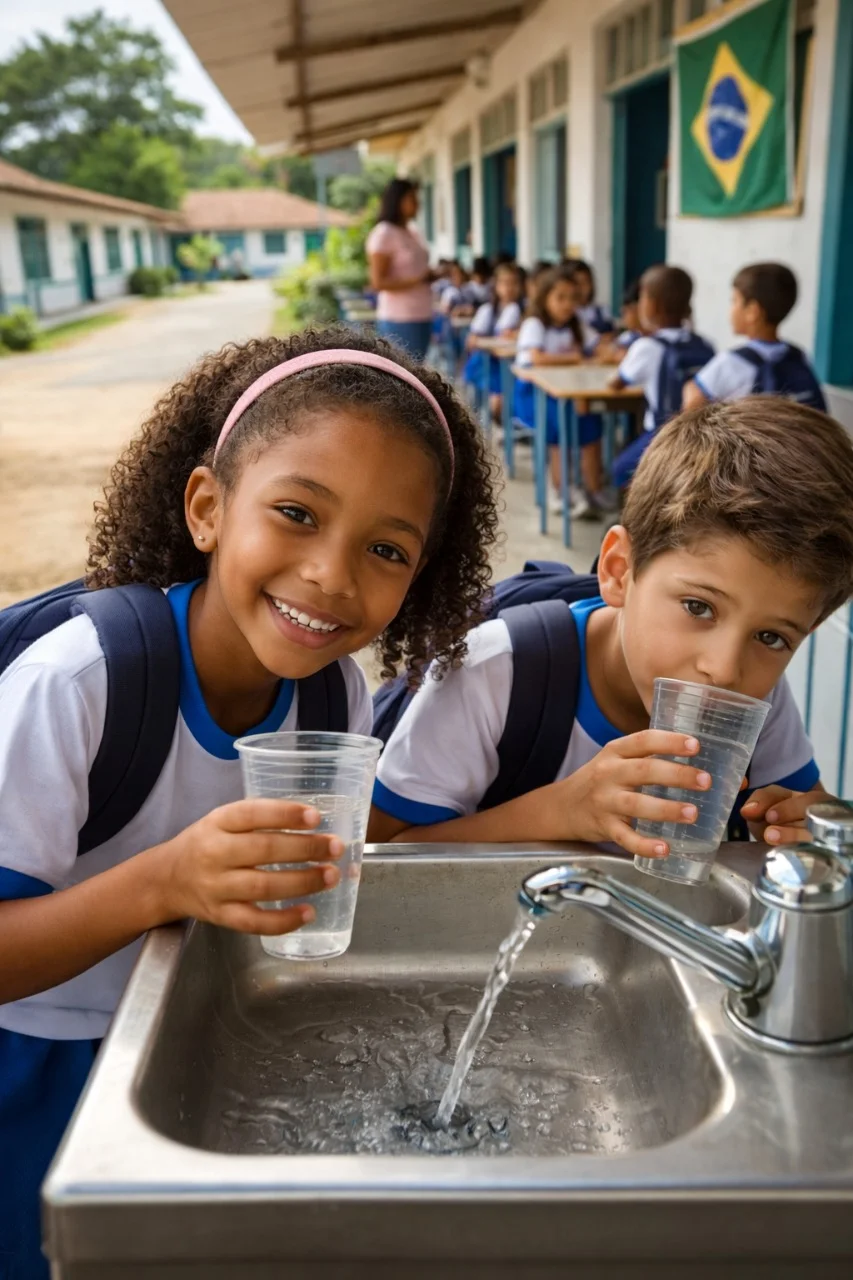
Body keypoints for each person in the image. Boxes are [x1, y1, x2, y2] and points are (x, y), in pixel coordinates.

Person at [0, 326, 499, 1280]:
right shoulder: (84, 683)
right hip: (37, 1074)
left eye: (386, 549)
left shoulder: (333, 696)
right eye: (298, 513)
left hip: (182, 1046)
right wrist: (165, 882)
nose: (331, 576)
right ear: (206, 507)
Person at [370, 398, 853, 857]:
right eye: (698, 607)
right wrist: (560, 812)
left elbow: (807, 811)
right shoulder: (492, 675)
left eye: (771, 638)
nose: (724, 670)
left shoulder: (758, 701)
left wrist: (808, 826)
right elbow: (382, 854)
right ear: (619, 570)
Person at [608, 265, 715, 489]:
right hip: (704, 433)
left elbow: (617, 383)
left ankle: (635, 518)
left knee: (620, 470)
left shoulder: (646, 346)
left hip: (662, 434)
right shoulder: (704, 344)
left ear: (651, 305)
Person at [513, 266, 606, 518]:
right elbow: (537, 358)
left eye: (573, 299)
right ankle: (561, 490)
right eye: (560, 298)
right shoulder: (535, 324)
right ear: (545, 297)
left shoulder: (576, 324)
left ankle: (593, 489)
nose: (567, 305)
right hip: (535, 395)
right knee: (561, 429)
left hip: (568, 394)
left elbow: (599, 345)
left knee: (591, 422)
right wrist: (575, 358)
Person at [683, 262, 827, 412]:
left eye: (734, 301)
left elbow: (693, 403)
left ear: (752, 312)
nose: (731, 310)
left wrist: (689, 388)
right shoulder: (798, 356)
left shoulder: (731, 362)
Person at [366, 178, 433, 360]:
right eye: (412, 198)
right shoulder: (384, 233)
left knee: (419, 368)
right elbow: (378, 282)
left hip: (422, 312)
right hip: (399, 317)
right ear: (397, 200)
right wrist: (417, 280)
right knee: (404, 372)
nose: (417, 204)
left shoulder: (412, 232)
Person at [462, 262, 524, 420]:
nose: (509, 288)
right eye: (504, 283)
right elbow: (472, 340)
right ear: (496, 286)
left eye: (514, 283)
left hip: (517, 365)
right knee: (497, 404)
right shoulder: (488, 311)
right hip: (491, 367)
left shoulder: (526, 310)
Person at [565, 258, 614, 335]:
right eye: (576, 283)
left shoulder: (603, 311)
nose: (580, 288)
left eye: (585, 282)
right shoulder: (566, 314)